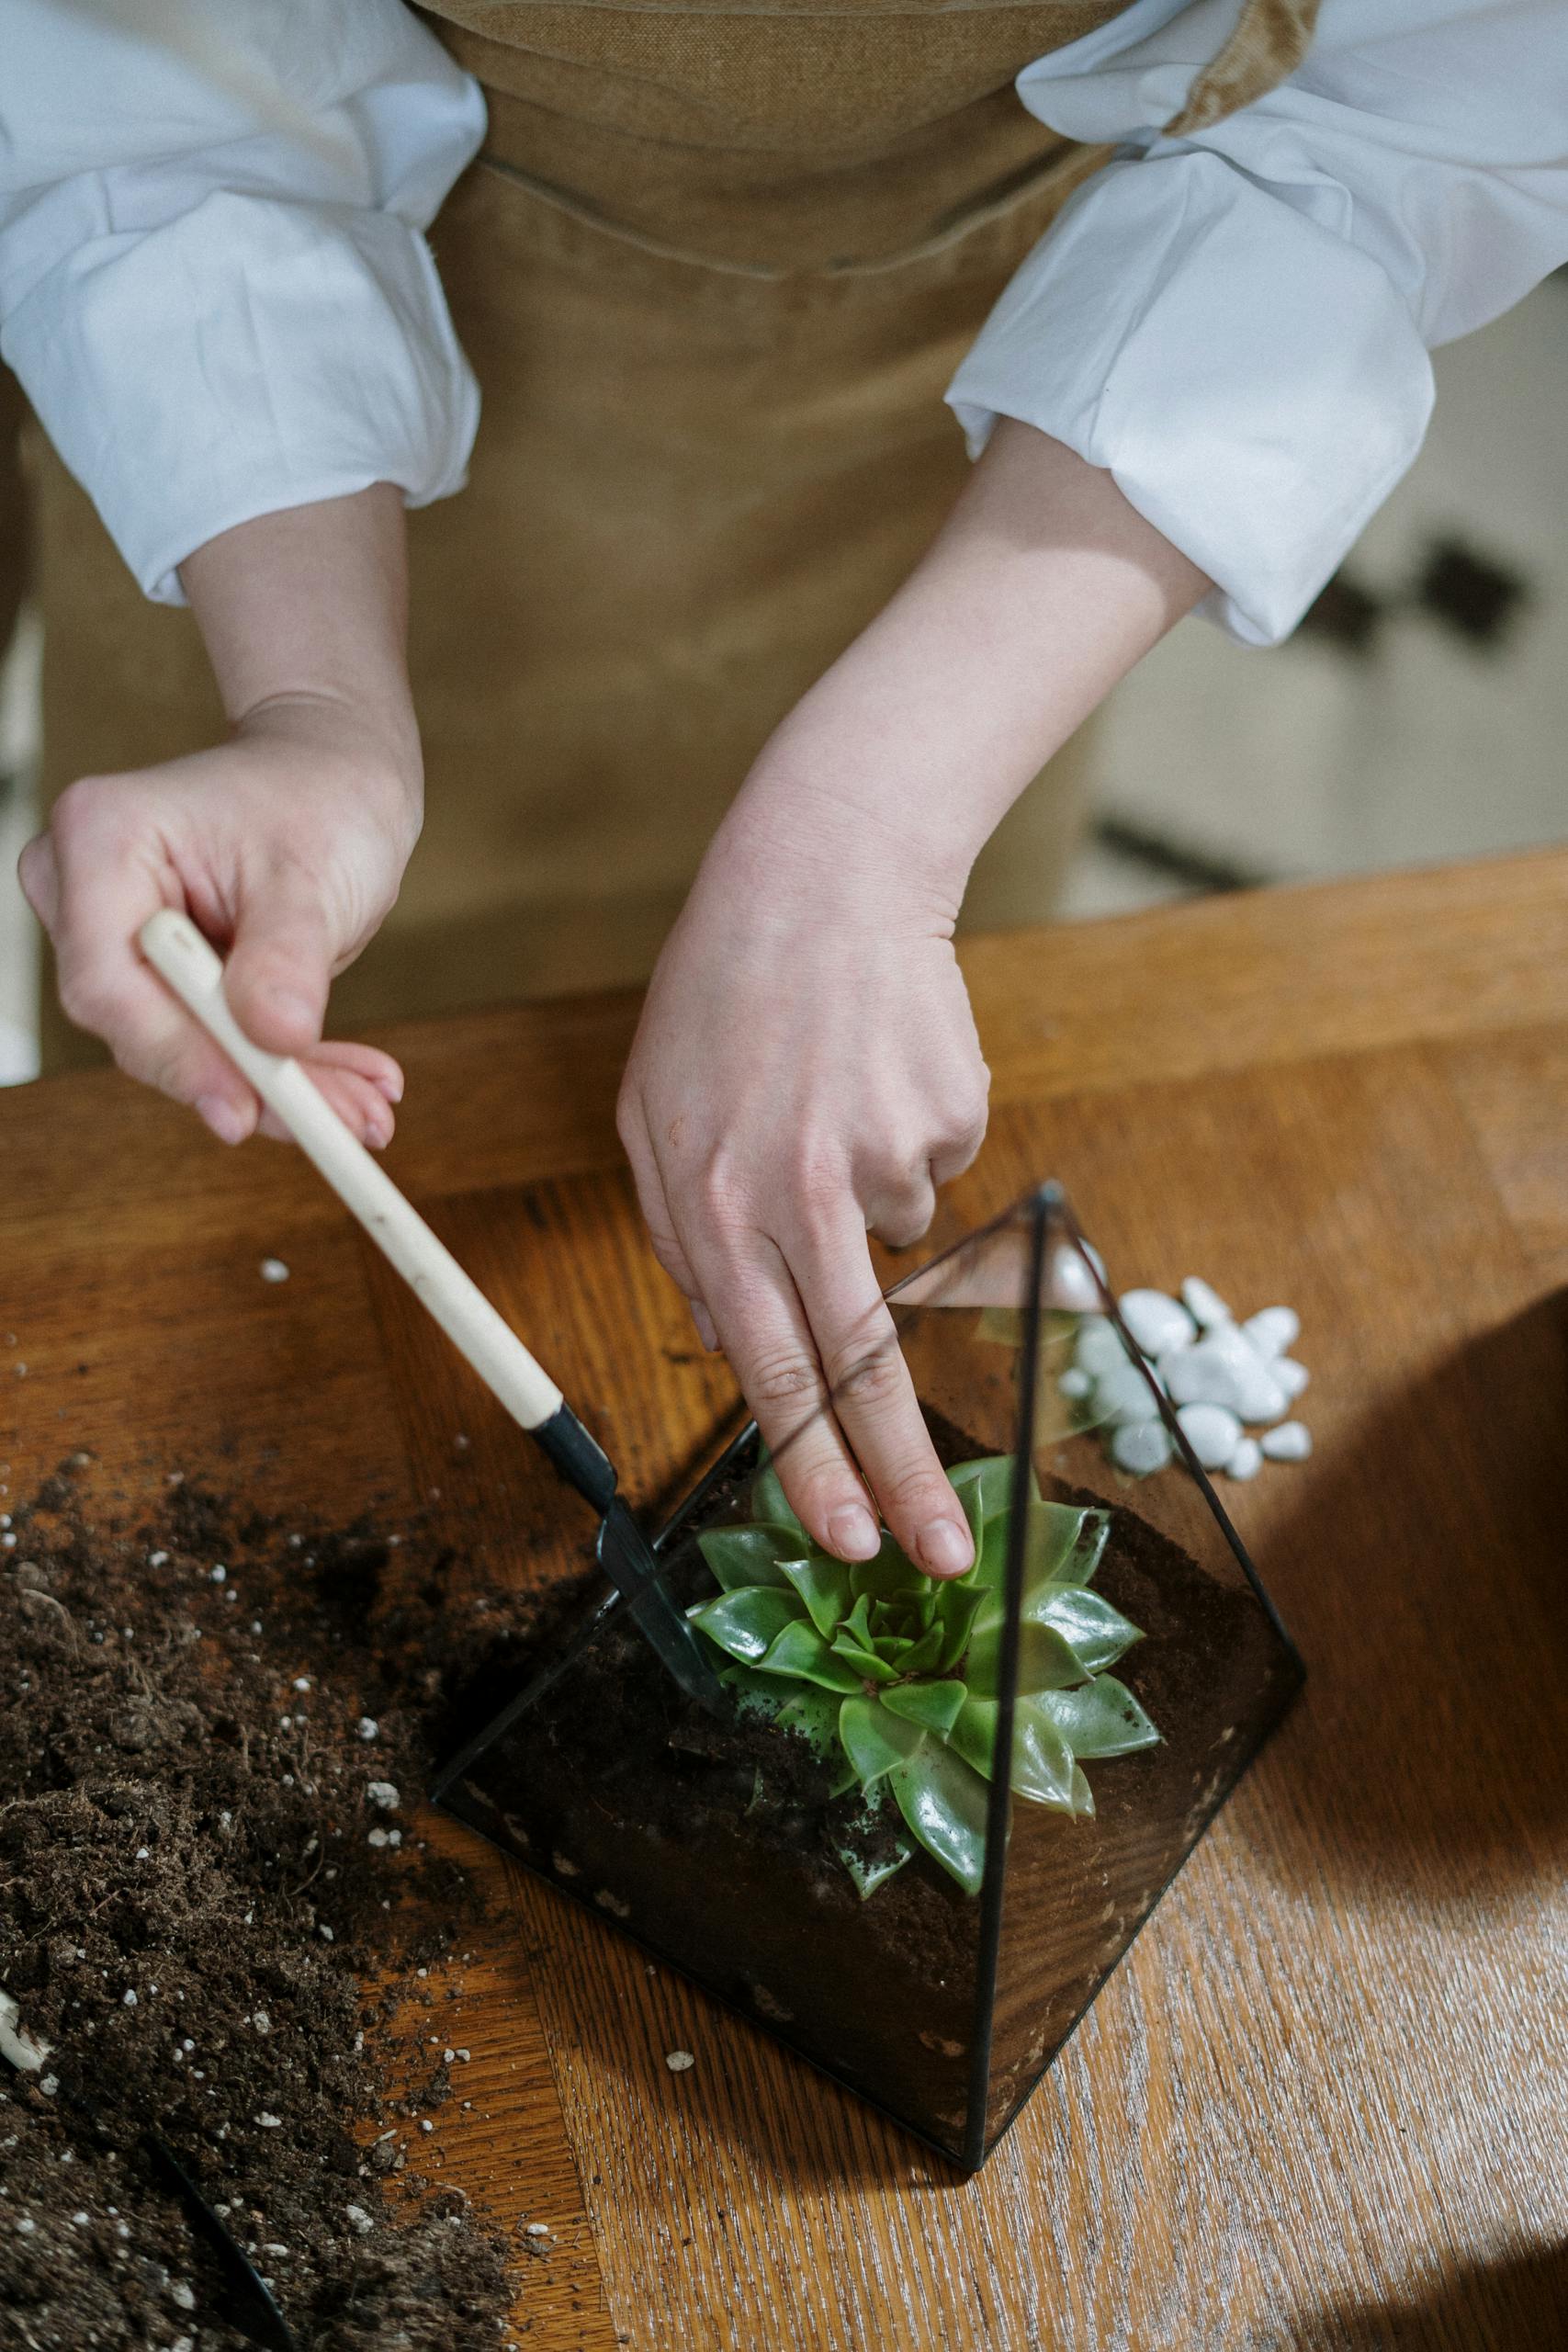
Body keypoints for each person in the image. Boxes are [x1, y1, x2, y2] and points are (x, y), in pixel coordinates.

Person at [3, 0, 1564, 1577]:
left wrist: (875, 823)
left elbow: (1407, 127)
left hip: (1003, 453)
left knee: (819, 1134)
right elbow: (158, 82)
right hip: (296, 447)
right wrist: (314, 706)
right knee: (215, 1217)